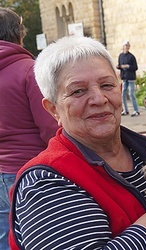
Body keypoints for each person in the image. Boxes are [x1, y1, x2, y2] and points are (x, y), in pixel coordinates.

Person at [8, 36, 146, 249]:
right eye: (78, 91)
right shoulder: (44, 182)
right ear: (53, 109)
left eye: (106, 85)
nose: (98, 99)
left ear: (120, 91)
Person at [0, 7, 59, 249]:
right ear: (19, 34)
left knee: (6, 232)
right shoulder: (29, 70)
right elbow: (49, 126)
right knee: (41, 232)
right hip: (33, 168)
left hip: (2, 170)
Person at [117, 40, 140, 117]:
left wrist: (128, 66)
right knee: (123, 94)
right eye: (125, 46)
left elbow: (135, 67)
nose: (126, 48)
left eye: (127, 46)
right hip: (124, 77)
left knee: (131, 94)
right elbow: (119, 65)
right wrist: (120, 67)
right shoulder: (121, 56)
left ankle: (136, 110)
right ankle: (126, 110)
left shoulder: (131, 56)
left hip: (131, 77)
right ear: (123, 47)